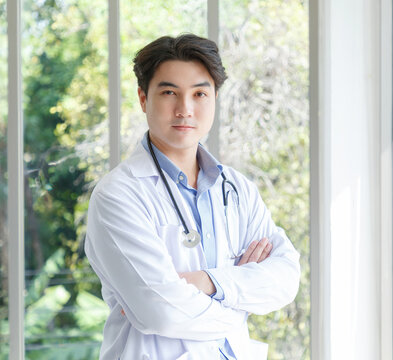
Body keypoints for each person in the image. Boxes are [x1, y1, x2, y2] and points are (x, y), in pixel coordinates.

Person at [85, 33, 300, 360]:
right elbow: (161, 311)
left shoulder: (236, 189)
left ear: (215, 99)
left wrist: (207, 282)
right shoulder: (118, 196)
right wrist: (240, 305)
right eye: (169, 92)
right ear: (144, 99)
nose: (185, 109)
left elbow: (286, 279)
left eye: (200, 93)